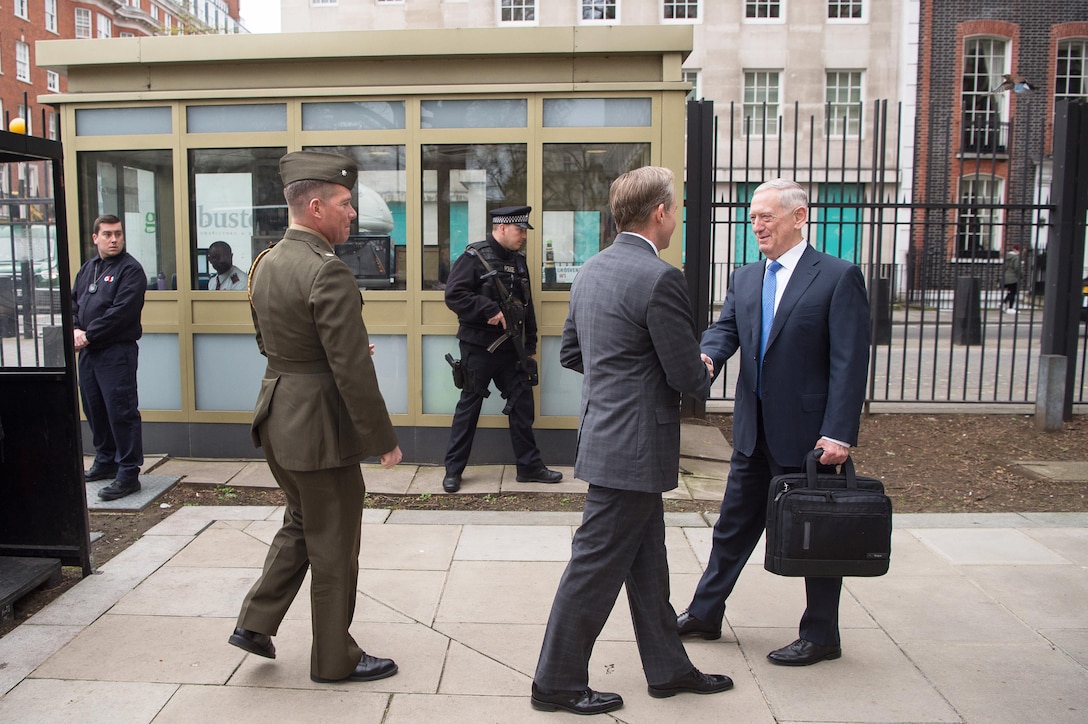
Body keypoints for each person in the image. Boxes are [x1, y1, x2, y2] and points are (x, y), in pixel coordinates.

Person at [532, 167, 733, 716]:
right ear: (660, 213)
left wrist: (621, 372)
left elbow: (574, 353)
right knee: (594, 567)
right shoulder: (659, 277)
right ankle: (556, 681)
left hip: (608, 436)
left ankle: (668, 669)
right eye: (678, 207)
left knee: (649, 566)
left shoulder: (593, 269)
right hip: (636, 446)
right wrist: (706, 360)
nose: (679, 216)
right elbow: (687, 376)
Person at [676, 178, 870, 667]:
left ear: (799, 216)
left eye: (767, 216)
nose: (756, 224)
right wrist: (705, 359)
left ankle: (822, 635)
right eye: (753, 216)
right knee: (731, 527)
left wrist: (839, 433)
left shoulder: (837, 276)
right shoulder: (745, 277)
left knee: (817, 536)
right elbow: (725, 330)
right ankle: (704, 613)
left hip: (810, 438)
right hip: (752, 431)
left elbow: (850, 361)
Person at [228, 150, 403, 685]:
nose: (352, 214)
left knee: (302, 524)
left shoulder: (265, 263)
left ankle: (256, 623)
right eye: (345, 204)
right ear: (315, 206)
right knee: (335, 548)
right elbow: (351, 370)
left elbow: (272, 342)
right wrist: (383, 440)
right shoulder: (327, 271)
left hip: (278, 417)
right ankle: (334, 659)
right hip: (319, 432)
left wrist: (324, 359)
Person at [441, 205, 562, 493]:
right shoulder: (474, 257)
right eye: (520, 230)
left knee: (522, 405)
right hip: (479, 348)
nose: (523, 236)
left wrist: (529, 345)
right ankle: (453, 471)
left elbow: (527, 307)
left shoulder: (519, 262)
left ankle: (529, 467)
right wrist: (488, 309)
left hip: (512, 349)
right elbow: (454, 295)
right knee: (469, 407)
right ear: (502, 228)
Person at [72, 214, 147, 501]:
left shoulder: (131, 271)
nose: (113, 239)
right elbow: (74, 302)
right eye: (107, 234)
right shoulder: (88, 269)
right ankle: (105, 461)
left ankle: (128, 472)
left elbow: (121, 313)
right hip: (89, 353)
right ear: (96, 238)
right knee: (94, 408)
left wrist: (88, 334)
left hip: (116, 352)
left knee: (121, 411)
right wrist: (76, 328)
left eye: (117, 233)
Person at [1003, 243, 1021, 314]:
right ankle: (1010, 307)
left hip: (1007, 276)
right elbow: (1017, 268)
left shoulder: (1007, 257)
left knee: (1010, 291)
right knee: (1013, 292)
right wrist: (1021, 275)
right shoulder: (1016, 257)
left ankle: (1004, 302)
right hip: (1013, 277)